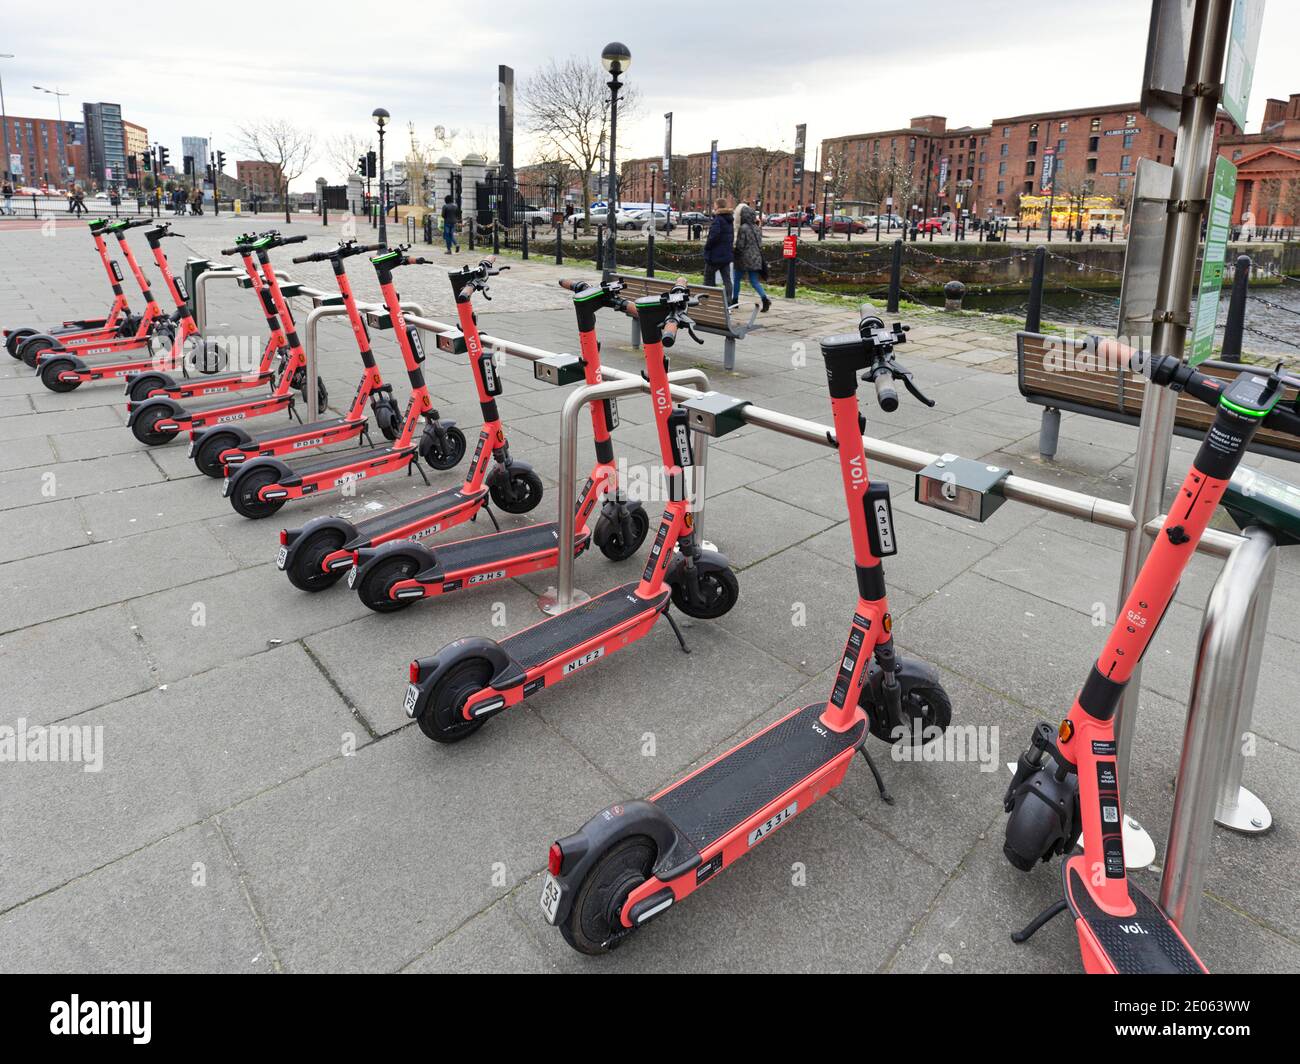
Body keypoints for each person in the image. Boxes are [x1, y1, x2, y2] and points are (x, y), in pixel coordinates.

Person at [732, 202, 770, 312]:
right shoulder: (757, 228)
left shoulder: (743, 228)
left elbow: (740, 245)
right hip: (756, 258)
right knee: (754, 281)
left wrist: (734, 251)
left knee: (737, 279)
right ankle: (765, 299)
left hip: (743, 259)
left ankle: (735, 301)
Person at [702, 198, 734, 304]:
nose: (713, 207)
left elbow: (713, 237)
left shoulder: (718, 219)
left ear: (718, 206)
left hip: (715, 256)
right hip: (726, 255)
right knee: (727, 279)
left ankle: (707, 300)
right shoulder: (729, 220)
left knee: (708, 278)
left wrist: (707, 247)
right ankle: (728, 301)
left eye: (714, 205)